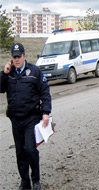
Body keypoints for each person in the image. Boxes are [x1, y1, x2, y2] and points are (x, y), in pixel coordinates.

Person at [0, 43, 52, 190]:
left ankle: (36, 180)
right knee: (20, 152)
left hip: (31, 118)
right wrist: (4, 73)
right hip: (15, 119)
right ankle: (25, 181)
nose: (16, 59)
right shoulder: (8, 73)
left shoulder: (34, 71)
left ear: (24, 56)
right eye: (14, 57)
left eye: (19, 56)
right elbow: (0, 88)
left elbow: (45, 93)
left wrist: (46, 113)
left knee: (30, 149)